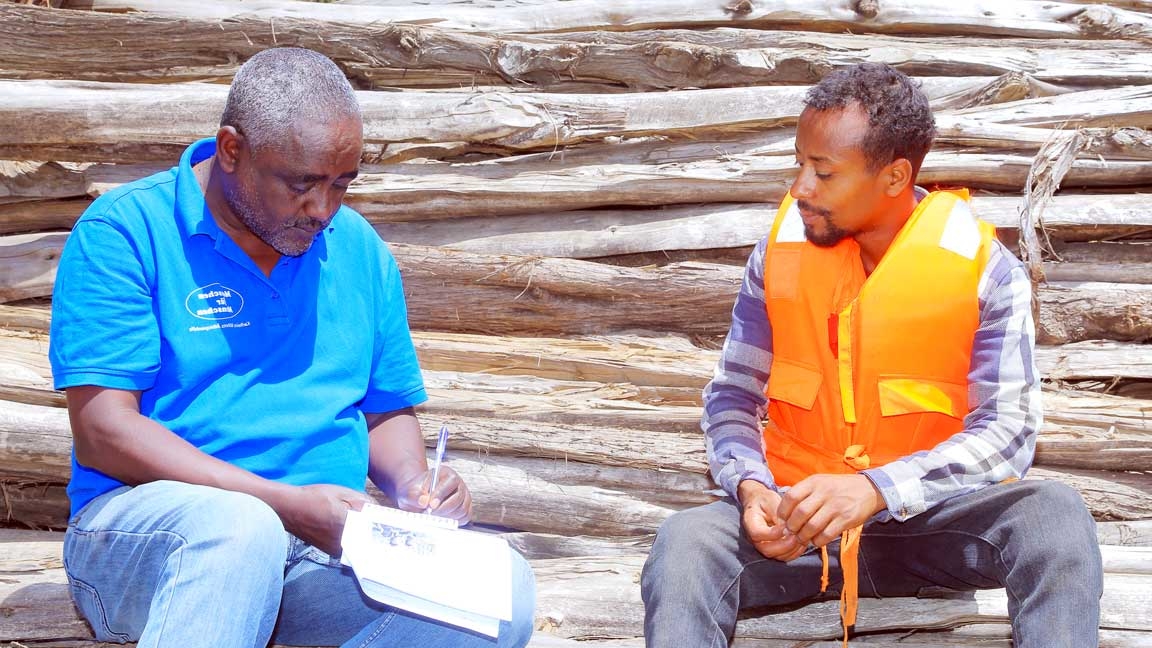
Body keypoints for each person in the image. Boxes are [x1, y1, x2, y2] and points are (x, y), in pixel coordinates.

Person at [49, 47, 535, 648]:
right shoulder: (124, 233)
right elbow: (102, 431)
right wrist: (283, 504)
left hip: (322, 549)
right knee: (238, 531)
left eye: (343, 184)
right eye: (302, 185)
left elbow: (384, 409)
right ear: (232, 150)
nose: (323, 209)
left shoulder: (357, 248)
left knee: (499, 592)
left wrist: (415, 482)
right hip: (155, 534)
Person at [640, 63, 1102, 648]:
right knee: (685, 543)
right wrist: (752, 487)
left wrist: (876, 488)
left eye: (823, 172)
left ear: (894, 176)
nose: (800, 188)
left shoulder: (988, 273)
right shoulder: (776, 258)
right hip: (799, 528)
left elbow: (1009, 432)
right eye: (799, 165)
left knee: (1053, 517)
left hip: (933, 525)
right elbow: (732, 397)